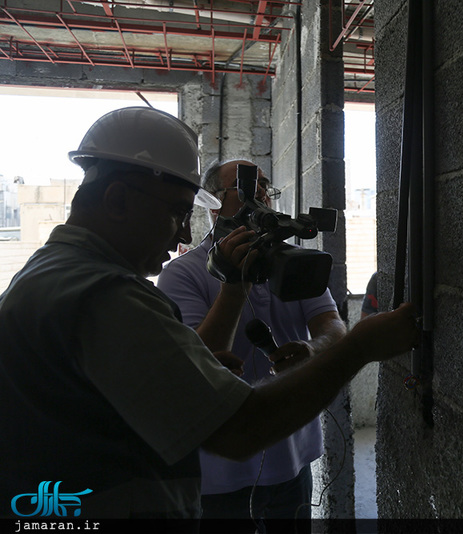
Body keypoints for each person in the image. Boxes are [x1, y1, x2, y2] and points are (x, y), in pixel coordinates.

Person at [0, 107, 418, 520]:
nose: (184, 233)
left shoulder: (53, 273)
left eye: (266, 190)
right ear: (118, 199)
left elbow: (325, 323)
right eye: (178, 212)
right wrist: (360, 347)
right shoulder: (106, 295)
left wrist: (315, 348)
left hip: (287, 465)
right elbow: (240, 429)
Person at [157, 159, 347, 525]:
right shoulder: (182, 275)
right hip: (218, 474)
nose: (260, 193)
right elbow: (200, 365)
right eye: (245, 187)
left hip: (293, 459)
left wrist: (312, 350)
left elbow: (333, 327)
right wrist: (236, 282)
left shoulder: (294, 263)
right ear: (213, 203)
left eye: (264, 186)